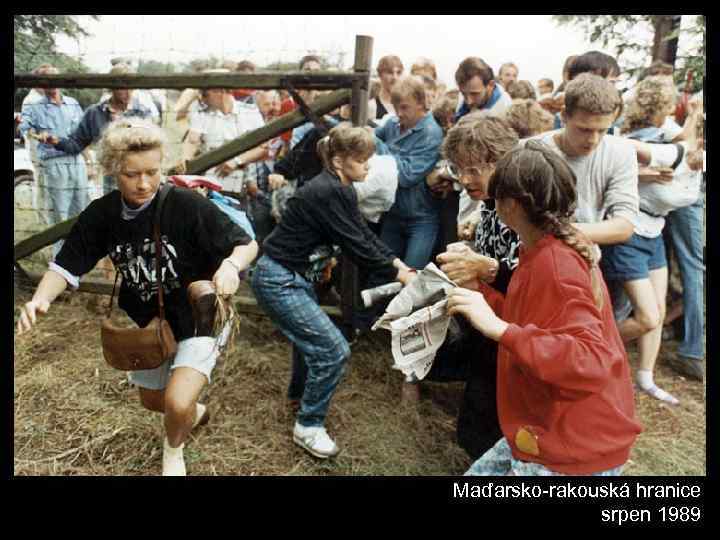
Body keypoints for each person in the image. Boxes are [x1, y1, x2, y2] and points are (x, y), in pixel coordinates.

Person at [16, 118, 259, 476]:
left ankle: (173, 451)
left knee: (176, 402)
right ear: (113, 170)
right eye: (132, 174)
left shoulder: (186, 205)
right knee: (153, 401)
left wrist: (230, 267)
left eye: (153, 172)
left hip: (200, 315)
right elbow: (65, 266)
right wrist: (40, 299)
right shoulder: (102, 215)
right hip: (152, 320)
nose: (144, 183)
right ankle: (194, 412)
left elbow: (247, 243)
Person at [453, 141, 642, 476]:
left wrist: (498, 328)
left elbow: (590, 358)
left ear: (509, 205)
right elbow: (532, 320)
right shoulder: (541, 251)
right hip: (545, 427)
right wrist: (478, 294)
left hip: (572, 445)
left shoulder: (556, 264)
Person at [251, 124, 415, 458]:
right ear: (339, 161)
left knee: (308, 342)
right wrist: (398, 271)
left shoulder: (338, 188)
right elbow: (357, 245)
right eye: (361, 159)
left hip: (291, 276)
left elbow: (361, 234)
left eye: (369, 158)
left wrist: (398, 263)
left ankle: (299, 399)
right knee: (333, 350)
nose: (368, 166)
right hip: (278, 278)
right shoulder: (328, 190)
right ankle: (308, 425)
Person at [421, 113, 520, 452]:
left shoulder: (524, 209)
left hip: (514, 334)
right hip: (488, 323)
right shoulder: (490, 204)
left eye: (475, 169)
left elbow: (531, 281)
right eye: (459, 169)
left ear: (502, 161)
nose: (464, 179)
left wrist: (486, 268)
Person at [607, 79, 705, 396]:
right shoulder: (664, 146)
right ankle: (593, 349)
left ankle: (645, 378)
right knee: (645, 316)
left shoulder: (689, 154)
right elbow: (622, 150)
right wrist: (640, 171)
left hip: (654, 232)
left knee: (657, 313)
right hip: (630, 230)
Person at [51, 64, 159, 196]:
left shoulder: (142, 113)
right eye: (123, 88)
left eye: (132, 87)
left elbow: (151, 148)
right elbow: (77, 144)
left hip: (139, 181)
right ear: (111, 87)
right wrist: (57, 142)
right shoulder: (94, 113)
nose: (128, 92)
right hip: (111, 182)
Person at [18, 64, 90, 255]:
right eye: (46, 79)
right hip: (54, 164)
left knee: (82, 210)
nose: (51, 83)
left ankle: (80, 255)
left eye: (55, 78)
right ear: (40, 83)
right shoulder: (34, 106)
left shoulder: (73, 103)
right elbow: (26, 130)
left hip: (77, 162)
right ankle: (60, 261)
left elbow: (83, 133)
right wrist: (38, 135)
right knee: (59, 214)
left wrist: (88, 160)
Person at [375, 76, 445, 270]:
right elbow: (368, 139)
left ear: (421, 103)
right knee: (384, 272)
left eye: (405, 107)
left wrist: (379, 146)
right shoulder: (392, 125)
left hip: (420, 218)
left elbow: (406, 176)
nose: (398, 113)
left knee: (412, 277)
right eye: (396, 107)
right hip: (392, 213)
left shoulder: (431, 133)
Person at [181, 79, 267, 196]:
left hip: (242, 182)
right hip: (208, 183)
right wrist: (185, 162)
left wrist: (237, 161)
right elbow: (192, 141)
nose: (201, 98)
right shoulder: (202, 114)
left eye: (205, 94)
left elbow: (263, 147)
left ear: (220, 91)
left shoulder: (250, 112)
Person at [454, 57, 513, 121]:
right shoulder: (467, 91)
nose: (469, 102)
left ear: (491, 85)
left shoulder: (505, 108)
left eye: (474, 94)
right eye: (463, 94)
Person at [374, 55, 404, 120]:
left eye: (399, 73)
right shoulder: (372, 106)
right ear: (380, 75)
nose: (395, 77)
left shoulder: (408, 106)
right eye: (390, 72)